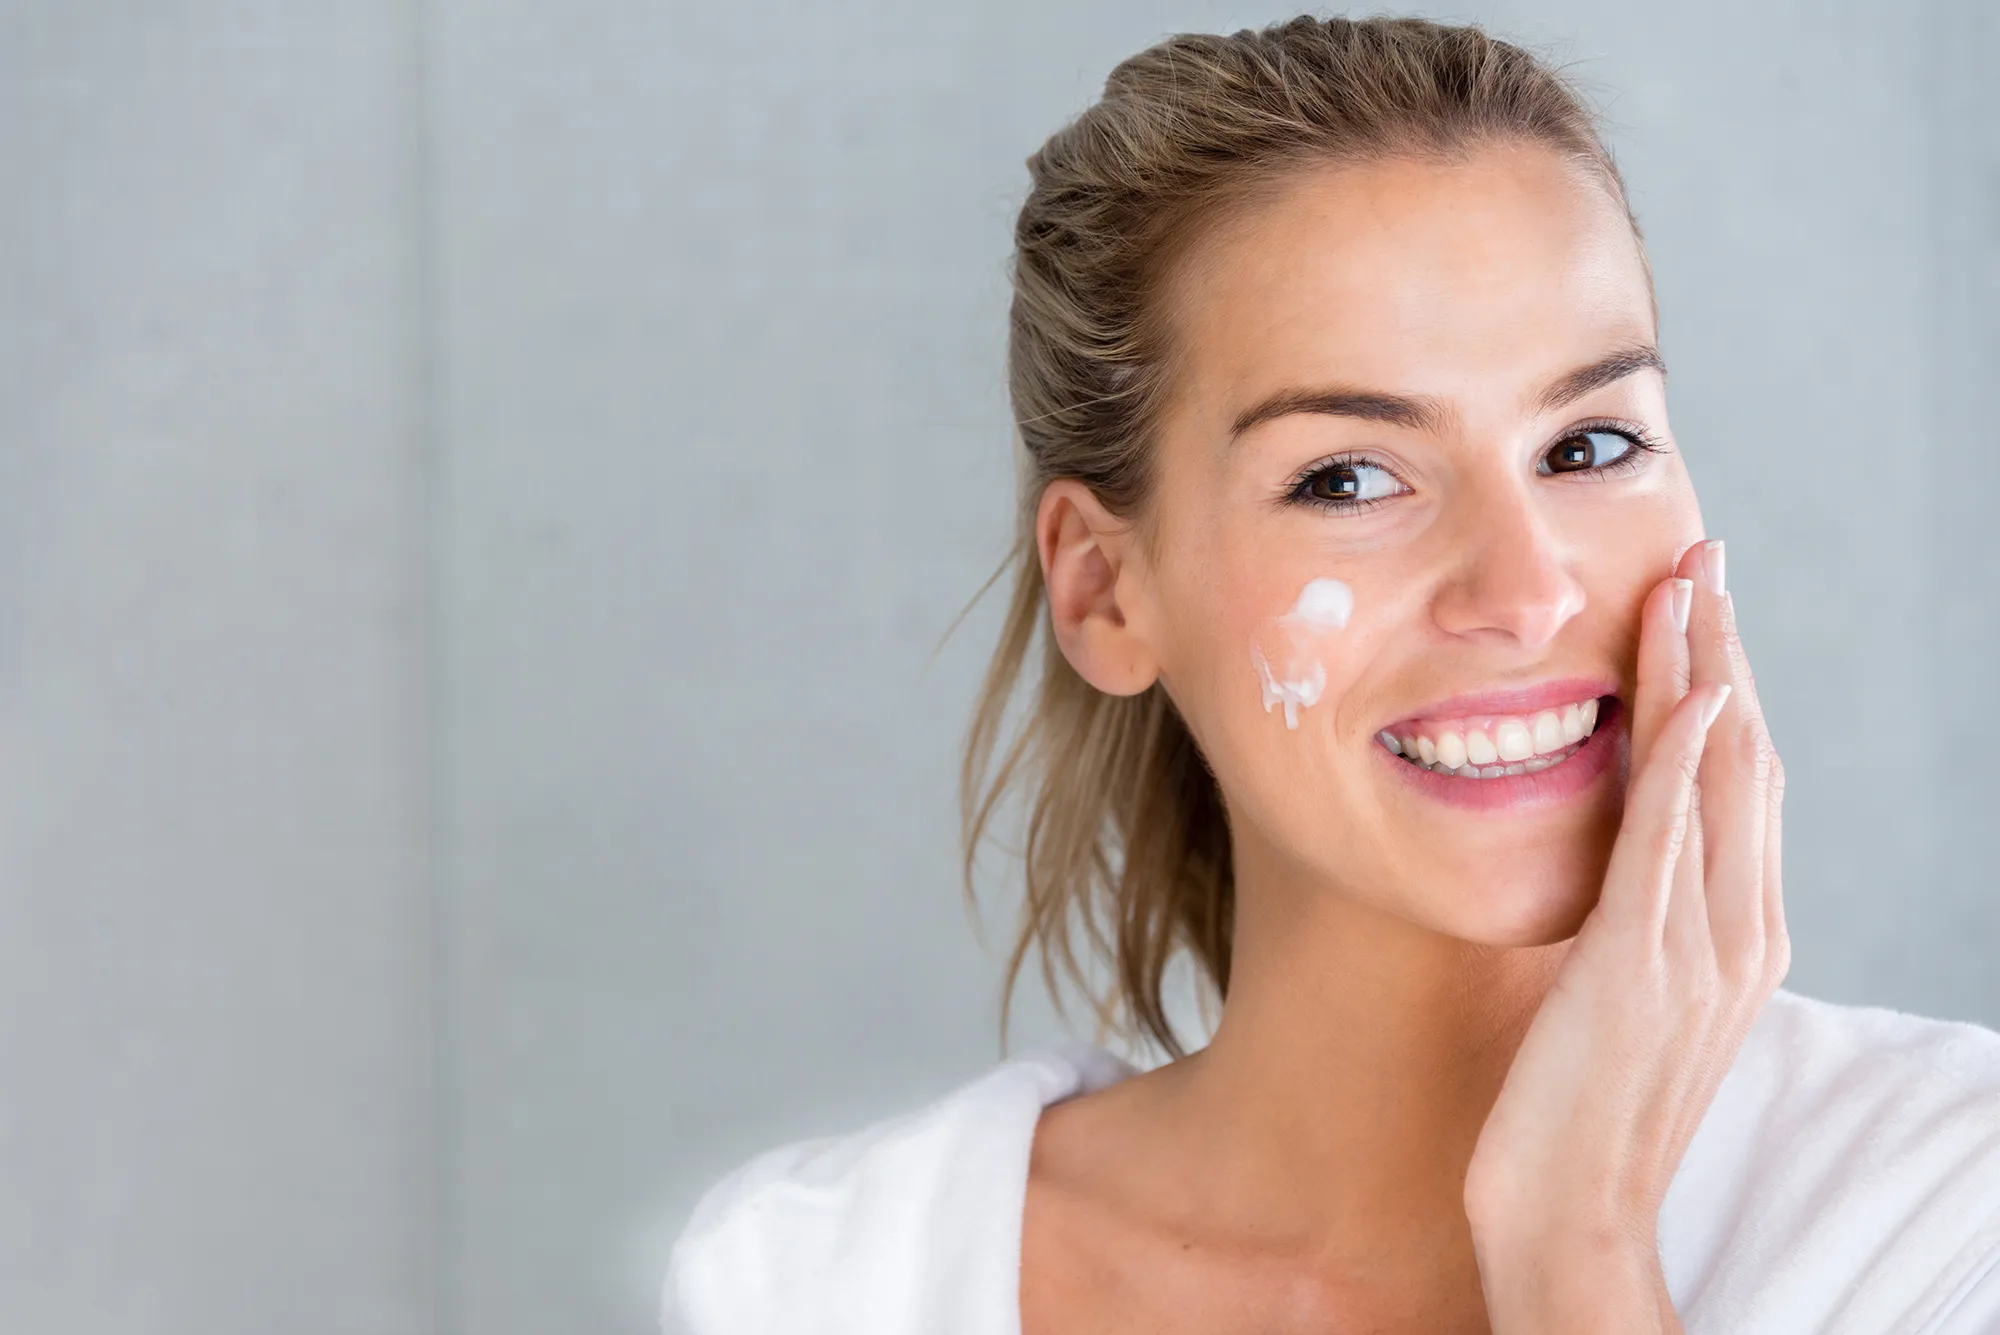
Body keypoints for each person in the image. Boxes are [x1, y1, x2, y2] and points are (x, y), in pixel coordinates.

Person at [661, 15, 2000, 1333]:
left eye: (1589, 444)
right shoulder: (826, 1279)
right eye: (1349, 476)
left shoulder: (1947, 1214)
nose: (1527, 591)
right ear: (1106, 590)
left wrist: (1573, 1236)